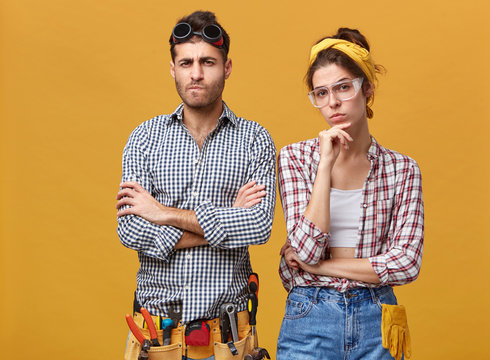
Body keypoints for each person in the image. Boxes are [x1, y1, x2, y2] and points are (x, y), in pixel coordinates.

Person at [116, 11, 276, 360]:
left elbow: (260, 225)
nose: (197, 73)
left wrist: (161, 213)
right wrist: (229, 218)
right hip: (156, 337)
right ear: (173, 68)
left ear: (227, 66)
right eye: (186, 62)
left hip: (228, 340)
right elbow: (129, 229)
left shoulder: (255, 139)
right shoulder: (144, 138)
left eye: (208, 62)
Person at [276, 28, 424, 360]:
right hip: (310, 316)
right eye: (321, 93)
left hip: (378, 318)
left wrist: (321, 268)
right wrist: (325, 164)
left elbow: (406, 263)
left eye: (344, 87)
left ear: (367, 88)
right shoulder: (295, 158)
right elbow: (305, 249)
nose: (333, 103)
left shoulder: (402, 169)